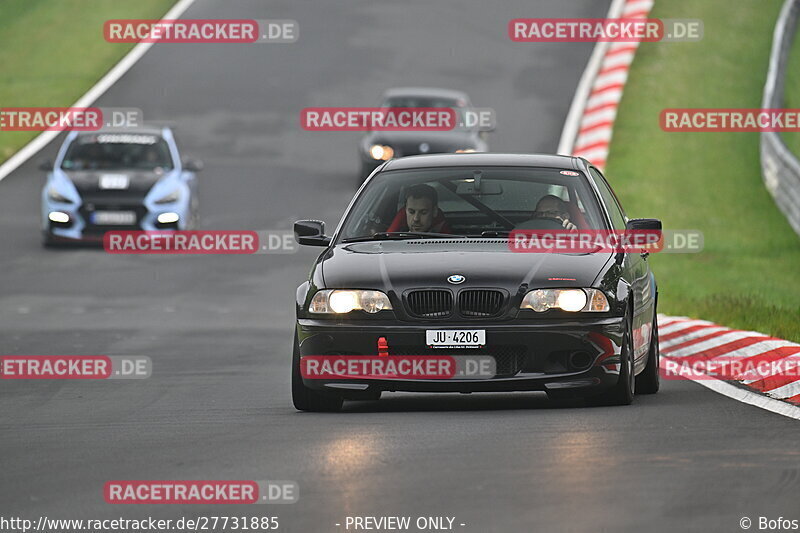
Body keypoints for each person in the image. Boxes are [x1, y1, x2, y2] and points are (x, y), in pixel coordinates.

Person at [386, 184, 451, 233]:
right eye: (411, 212)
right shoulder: (402, 216)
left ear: (435, 211)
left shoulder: (440, 225)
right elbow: (387, 240)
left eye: (423, 212)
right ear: (405, 210)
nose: (416, 218)